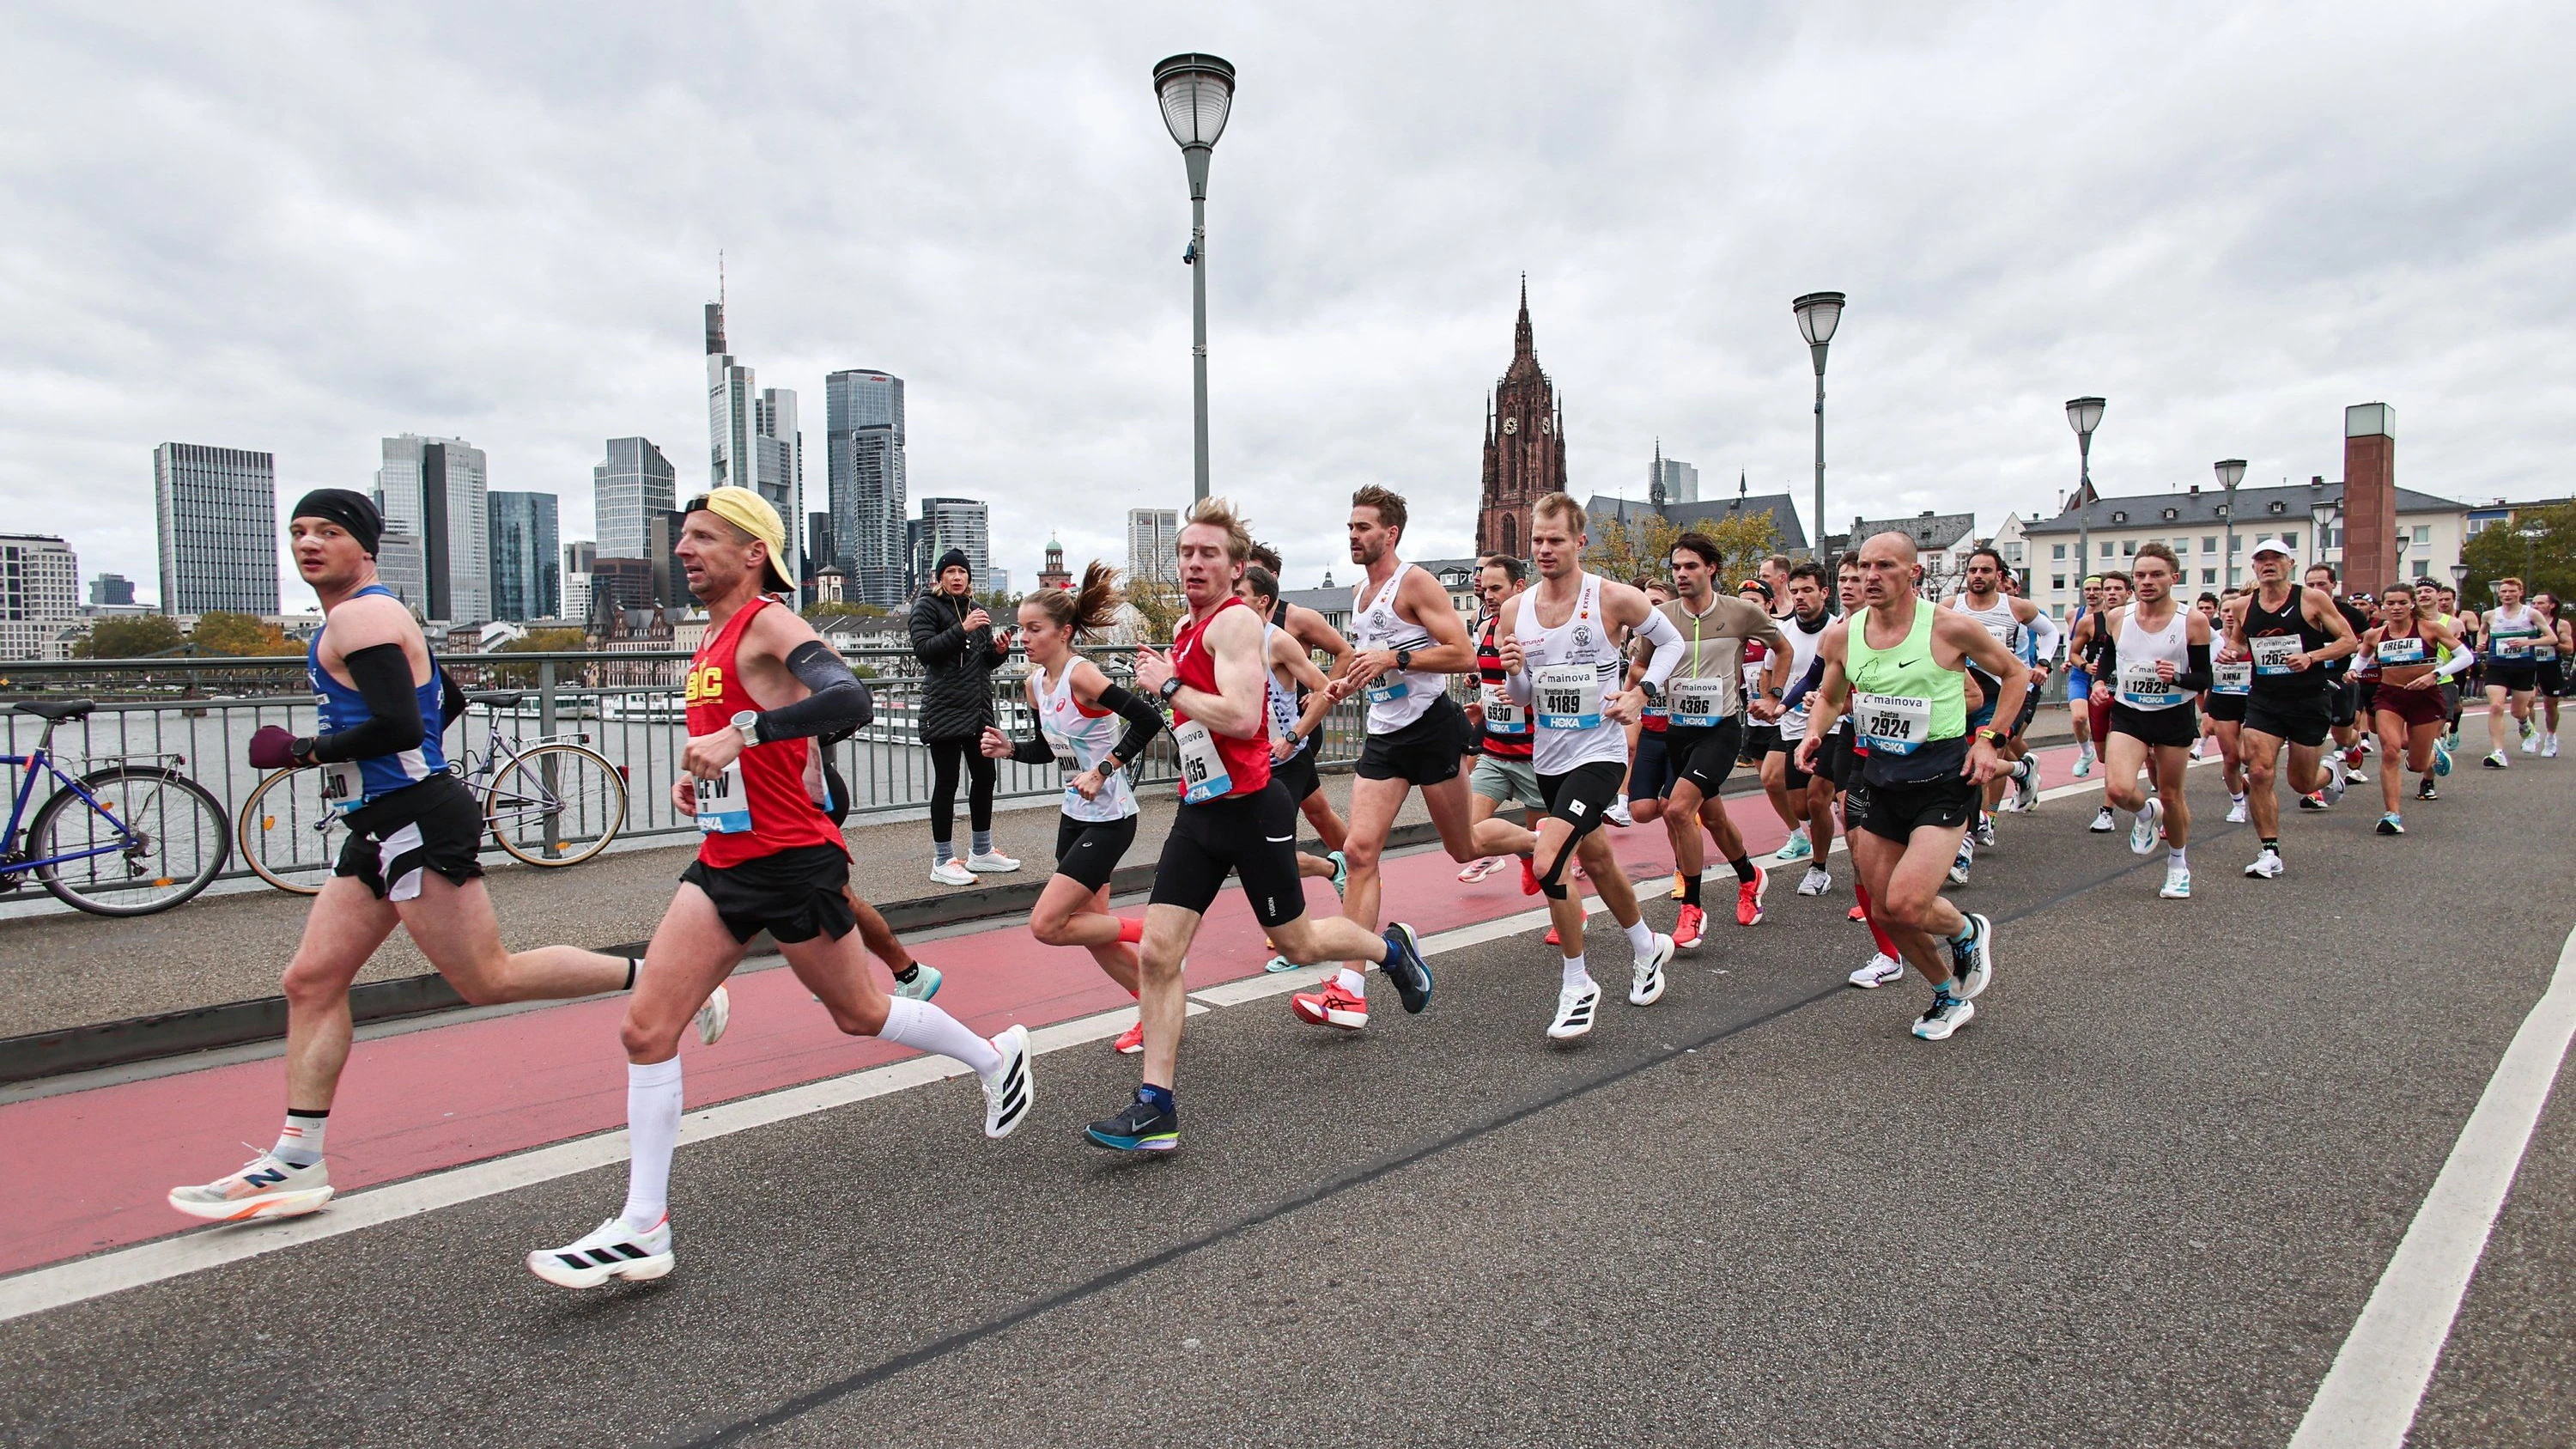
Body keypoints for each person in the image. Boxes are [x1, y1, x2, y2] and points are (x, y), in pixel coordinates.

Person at [530, 489, 1031, 1287]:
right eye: (683, 538)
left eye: (703, 538)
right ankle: (643, 1225)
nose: (685, 550)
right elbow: (731, 741)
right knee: (646, 1028)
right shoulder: (708, 640)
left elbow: (850, 697)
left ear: (753, 551)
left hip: (794, 860)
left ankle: (994, 1056)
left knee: (859, 1014)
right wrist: (699, 776)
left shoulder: (768, 622)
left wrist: (744, 732)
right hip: (727, 860)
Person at [169, 490, 712, 1226]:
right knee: (311, 979)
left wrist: (303, 749)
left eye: (328, 532)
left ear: (364, 547)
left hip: (415, 820)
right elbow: (444, 701)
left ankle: (666, 981)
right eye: (298, 532)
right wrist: (383, 763)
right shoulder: (364, 615)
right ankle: (296, 1158)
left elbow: (396, 721)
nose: (307, 544)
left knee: (488, 977)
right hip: (382, 820)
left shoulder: (361, 615)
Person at [1091, 498, 1434, 1150]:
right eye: (1187, 552)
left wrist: (1166, 688)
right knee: (1161, 952)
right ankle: (1155, 1106)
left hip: (1253, 808)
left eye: (1209, 553)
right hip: (1200, 809)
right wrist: (1164, 684)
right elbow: (1197, 720)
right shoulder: (1187, 632)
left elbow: (1245, 717)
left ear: (1235, 566)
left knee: (1301, 944)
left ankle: (1390, 949)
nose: (1194, 562)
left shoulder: (1236, 625)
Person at [1795, 533, 2028, 1040]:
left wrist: (1989, 740)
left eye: (1884, 566)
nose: (1870, 576)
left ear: (1913, 573)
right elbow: (1832, 698)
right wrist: (1814, 732)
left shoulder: (1948, 628)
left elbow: (2016, 674)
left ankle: (1967, 930)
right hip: (1880, 778)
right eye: (1862, 567)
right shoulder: (1843, 635)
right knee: (1887, 911)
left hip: (1942, 779)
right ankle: (1947, 995)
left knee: (1905, 904)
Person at [1473, 493, 1684, 1039]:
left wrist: (1641, 694)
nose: (1544, 549)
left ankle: (1577, 983)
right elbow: (1521, 698)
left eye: (1556, 540)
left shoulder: (1612, 597)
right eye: (1538, 540)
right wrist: (1515, 673)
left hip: (1601, 753)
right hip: (1549, 757)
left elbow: (1672, 643)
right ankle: (1647, 945)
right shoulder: (1514, 611)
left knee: (1549, 860)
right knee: (1599, 860)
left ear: (1579, 543)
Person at [1298, 485, 1481, 1033]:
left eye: (1362, 528)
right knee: (1358, 851)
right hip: (1384, 737)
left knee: (1463, 846)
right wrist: (1329, 691)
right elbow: (1360, 662)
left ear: (1390, 533)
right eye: (1350, 527)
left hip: (1430, 729)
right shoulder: (1358, 593)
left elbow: (1463, 652)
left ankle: (1536, 845)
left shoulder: (1415, 582)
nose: (1352, 536)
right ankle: (1350, 988)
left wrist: (1395, 655)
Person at [979, 563, 1169, 1052]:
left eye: (1034, 629)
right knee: (1093, 935)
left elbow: (1148, 719)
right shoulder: (1034, 683)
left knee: (1048, 925)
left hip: (1111, 818)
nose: (1024, 637)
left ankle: (1159, 932)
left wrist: (1103, 769)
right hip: (1074, 815)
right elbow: (1051, 749)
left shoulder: (1084, 676)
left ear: (1063, 632)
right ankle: (1156, 1008)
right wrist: (1011, 749)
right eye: (1021, 627)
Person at [1630, 533, 1789, 947]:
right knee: (1713, 818)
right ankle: (1750, 877)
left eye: (1690, 567)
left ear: (1711, 569)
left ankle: (1692, 909)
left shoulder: (1740, 613)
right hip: (1677, 731)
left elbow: (1782, 649)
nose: (1681, 574)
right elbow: (1641, 667)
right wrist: (1636, 696)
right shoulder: (1659, 616)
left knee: (1678, 811)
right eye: (1676, 567)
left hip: (1720, 730)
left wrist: (1773, 696)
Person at [2221, 540, 2359, 879]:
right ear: (2253, 567)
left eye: (2276, 559)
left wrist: (2312, 657)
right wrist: (2232, 652)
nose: (2269, 564)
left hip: (2308, 699)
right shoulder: (2242, 605)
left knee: (2301, 782)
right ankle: (2270, 850)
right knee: (2259, 770)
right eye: (2261, 560)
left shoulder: (2311, 599)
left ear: (2290, 564)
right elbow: (2239, 642)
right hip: (2265, 699)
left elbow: (2349, 641)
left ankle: (2329, 776)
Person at [1241, 564, 1353, 970]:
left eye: (1240, 594)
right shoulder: (1230, 642)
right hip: (1252, 763)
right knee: (1286, 835)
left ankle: (1296, 940)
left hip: (1286, 759)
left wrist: (1293, 736)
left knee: (1270, 852)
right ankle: (1338, 866)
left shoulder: (1280, 642)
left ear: (1262, 602)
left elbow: (1326, 689)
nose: (1230, 601)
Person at [2085, 545, 2213, 899]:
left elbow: (2205, 678)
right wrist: (2099, 681)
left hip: (2174, 714)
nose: (2147, 581)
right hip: (2130, 712)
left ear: (2174, 578)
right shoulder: (2118, 618)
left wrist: (2178, 679)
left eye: (2156, 574)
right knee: (2118, 790)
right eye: (2140, 575)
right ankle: (2144, 813)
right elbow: (2110, 655)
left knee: (2172, 796)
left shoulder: (2192, 621)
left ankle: (2177, 866)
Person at [910, 547, 1020, 885]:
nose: (957, 577)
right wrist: (963, 628)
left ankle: (981, 852)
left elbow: (983, 662)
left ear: (969, 578)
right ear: (940, 577)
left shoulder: (977, 611)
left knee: (986, 777)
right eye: (951, 572)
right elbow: (924, 651)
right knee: (947, 783)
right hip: (943, 709)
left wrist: (999, 651)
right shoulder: (926, 606)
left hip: (977, 709)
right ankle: (942, 860)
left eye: (963, 572)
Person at [1945, 548, 2055, 878]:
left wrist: (2044, 663)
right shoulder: (1950, 607)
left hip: (2001, 695)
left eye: (1985, 570)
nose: (1978, 575)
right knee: (1961, 765)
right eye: (1973, 570)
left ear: (1999, 576)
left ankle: (1963, 849)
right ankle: (2020, 770)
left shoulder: (2016, 607)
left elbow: (2051, 633)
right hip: (1962, 695)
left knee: (1974, 767)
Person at [1246, 541, 1358, 849]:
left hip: (1298, 728)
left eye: (1253, 572)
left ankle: (1329, 866)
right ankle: (1356, 864)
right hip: (1261, 734)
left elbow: (1345, 652)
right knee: (1318, 810)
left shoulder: (1297, 619)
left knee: (1277, 821)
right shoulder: (1240, 623)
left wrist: (1320, 692)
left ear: (1272, 577)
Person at [1463, 554, 1548, 892]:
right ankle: (1527, 848)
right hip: (1495, 752)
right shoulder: (1484, 628)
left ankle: (1568, 914)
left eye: (1496, 588)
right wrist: (1483, 705)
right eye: (1484, 589)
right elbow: (1492, 680)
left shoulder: (1537, 631)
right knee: (1465, 834)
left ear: (1519, 587)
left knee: (1548, 863)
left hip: (1535, 755)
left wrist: (1527, 692)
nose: (1488, 596)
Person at [2355, 587, 2470, 833]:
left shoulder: (2430, 628)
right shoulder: (2375, 635)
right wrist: (2354, 670)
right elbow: (2362, 659)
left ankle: (2434, 753)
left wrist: (2435, 675)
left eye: (2402, 602)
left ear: (2411, 605)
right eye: (2390, 603)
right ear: (2383, 606)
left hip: (2425, 697)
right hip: (2390, 697)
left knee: (2417, 764)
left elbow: (2465, 657)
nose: (2396, 607)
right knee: (2390, 751)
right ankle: (2392, 815)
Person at [2306, 563, 2377, 782]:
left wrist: (2350, 649)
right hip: (2309, 681)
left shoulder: (2349, 613)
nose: (2316, 589)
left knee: (2342, 735)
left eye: (2321, 584)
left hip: (2341, 679)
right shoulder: (2301, 612)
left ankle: (2351, 747)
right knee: (2310, 733)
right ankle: (2316, 786)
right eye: (2310, 585)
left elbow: (2371, 640)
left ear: (2334, 585)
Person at [2073, 571, 2131, 831]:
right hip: (2100, 693)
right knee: (2104, 757)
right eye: (2108, 589)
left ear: (2129, 593)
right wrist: (2086, 667)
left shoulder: (2139, 620)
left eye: (2118, 589)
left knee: (2131, 757)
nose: (2111, 594)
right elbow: (2074, 653)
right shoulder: (2089, 622)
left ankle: (2107, 811)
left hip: (2130, 696)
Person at [2480, 576, 2550, 768]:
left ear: (2520, 593)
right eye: (2503, 591)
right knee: (2495, 706)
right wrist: (2481, 642)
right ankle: (2498, 752)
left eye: (2512, 591)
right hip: (2497, 665)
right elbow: (2483, 631)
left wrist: (2528, 642)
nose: (2507, 595)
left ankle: (2526, 724)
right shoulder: (2490, 615)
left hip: (2524, 667)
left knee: (2518, 711)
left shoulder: (2531, 614)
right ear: (2499, 594)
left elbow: (2550, 638)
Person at [2203, 589, 2255, 822]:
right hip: (2222, 699)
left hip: (2252, 699)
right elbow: (2201, 674)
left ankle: (2251, 779)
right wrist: (2205, 710)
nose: (2231, 615)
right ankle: (2238, 804)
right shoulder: (2211, 639)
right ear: (2220, 613)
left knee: (2247, 755)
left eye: (2236, 611)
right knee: (2231, 758)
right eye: (2227, 610)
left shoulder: (2253, 637)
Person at [2066, 575, 2105, 776]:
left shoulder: (2113, 616)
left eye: (2096, 589)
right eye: (2087, 589)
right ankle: (2086, 753)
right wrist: (2075, 662)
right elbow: (2073, 647)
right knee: (2079, 717)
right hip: (2081, 673)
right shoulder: (2073, 615)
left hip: (2106, 675)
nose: (2092, 593)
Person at [2534, 591, 2568, 756]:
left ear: (2552, 605)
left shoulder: (2560, 624)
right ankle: (2530, 734)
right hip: (2529, 665)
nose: (2536, 606)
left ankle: (2550, 738)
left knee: (2550, 705)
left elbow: (2569, 649)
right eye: (2534, 603)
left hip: (2550, 666)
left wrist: (2553, 642)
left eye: (2540, 603)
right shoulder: (2528, 622)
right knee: (2526, 701)